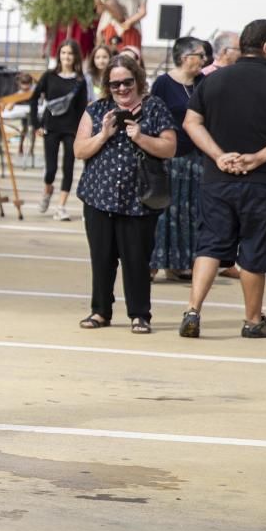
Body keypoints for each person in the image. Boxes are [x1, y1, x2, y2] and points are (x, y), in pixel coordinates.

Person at [180, 19, 266, 339]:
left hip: (217, 178)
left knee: (210, 246)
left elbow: (191, 123)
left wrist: (219, 155)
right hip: (261, 182)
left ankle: (193, 311)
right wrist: (259, 157)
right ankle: (252, 320)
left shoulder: (214, 81)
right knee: (254, 250)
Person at [74, 53, 176, 334]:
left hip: (139, 199)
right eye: (115, 84)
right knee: (102, 258)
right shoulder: (96, 110)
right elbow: (79, 150)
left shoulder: (155, 108)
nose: (121, 89)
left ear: (138, 80)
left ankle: (140, 314)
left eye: (127, 82)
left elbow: (170, 148)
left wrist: (140, 137)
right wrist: (104, 134)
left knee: (137, 260)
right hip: (99, 196)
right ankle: (100, 311)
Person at [149, 37, 207, 281]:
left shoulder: (204, 83)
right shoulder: (163, 83)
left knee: (189, 212)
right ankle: (153, 262)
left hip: (196, 159)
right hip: (169, 157)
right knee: (163, 211)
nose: (205, 60)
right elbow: (152, 116)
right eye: (200, 55)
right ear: (185, 58)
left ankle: (180, 263)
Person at [31, 39, 88, 221]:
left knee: (68, 168)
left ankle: (61, 207)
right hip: (51, 127)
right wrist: (36, 124)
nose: (66, 57)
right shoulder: (49, 76)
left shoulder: (80, 80)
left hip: (71, 129)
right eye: (63, 53)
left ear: (76, 56)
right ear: (59, 55)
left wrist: (83, 131)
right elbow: (34, 98)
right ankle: (48, 189)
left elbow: (82, 108)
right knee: (51, 169)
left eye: (70, 53)